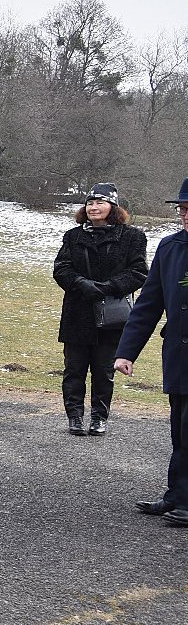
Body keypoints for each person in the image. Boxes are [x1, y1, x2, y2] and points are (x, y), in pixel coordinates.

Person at [113, 177, 188, 528]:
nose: (185, 216)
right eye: (183, 210)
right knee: (180, 429)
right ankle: (177, 495)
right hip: (179, 356)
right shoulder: (170, 248)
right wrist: (126, 352)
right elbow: (148, 305)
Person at [51, 183, 148, 436]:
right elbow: (61, 268)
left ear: (113, 207)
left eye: (100, 202)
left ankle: (99, 417)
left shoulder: (132, 237)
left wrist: (109, 287)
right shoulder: (73, 236)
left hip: (113, 313)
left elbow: (138, 272)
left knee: (104, 371)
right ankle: (74, 416)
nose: (94, 207)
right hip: (78, 311)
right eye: (90, 203)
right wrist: (81, 283)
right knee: (74, 369)